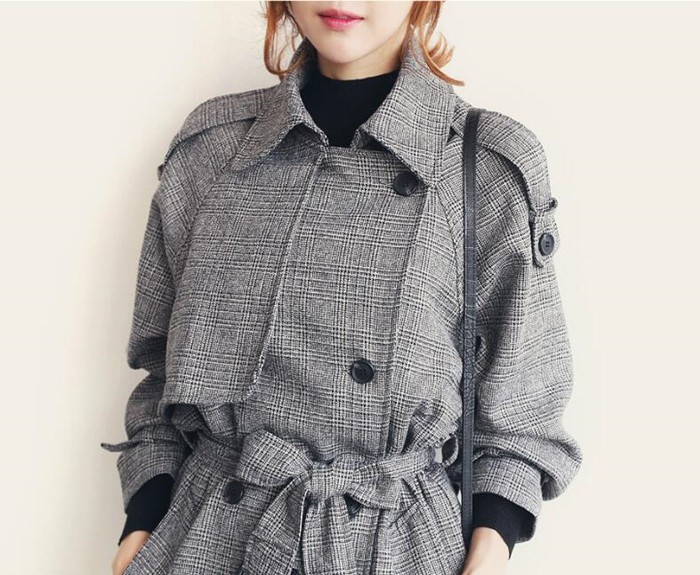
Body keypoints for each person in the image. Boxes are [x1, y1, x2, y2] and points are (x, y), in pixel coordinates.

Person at [101, 2, 583, 574]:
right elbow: (161, 374)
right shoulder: (213, 148)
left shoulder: (485, 164)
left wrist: (491, 546)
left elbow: (521, 407)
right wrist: (141, 523)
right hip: (206, 541)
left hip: (392, 549)